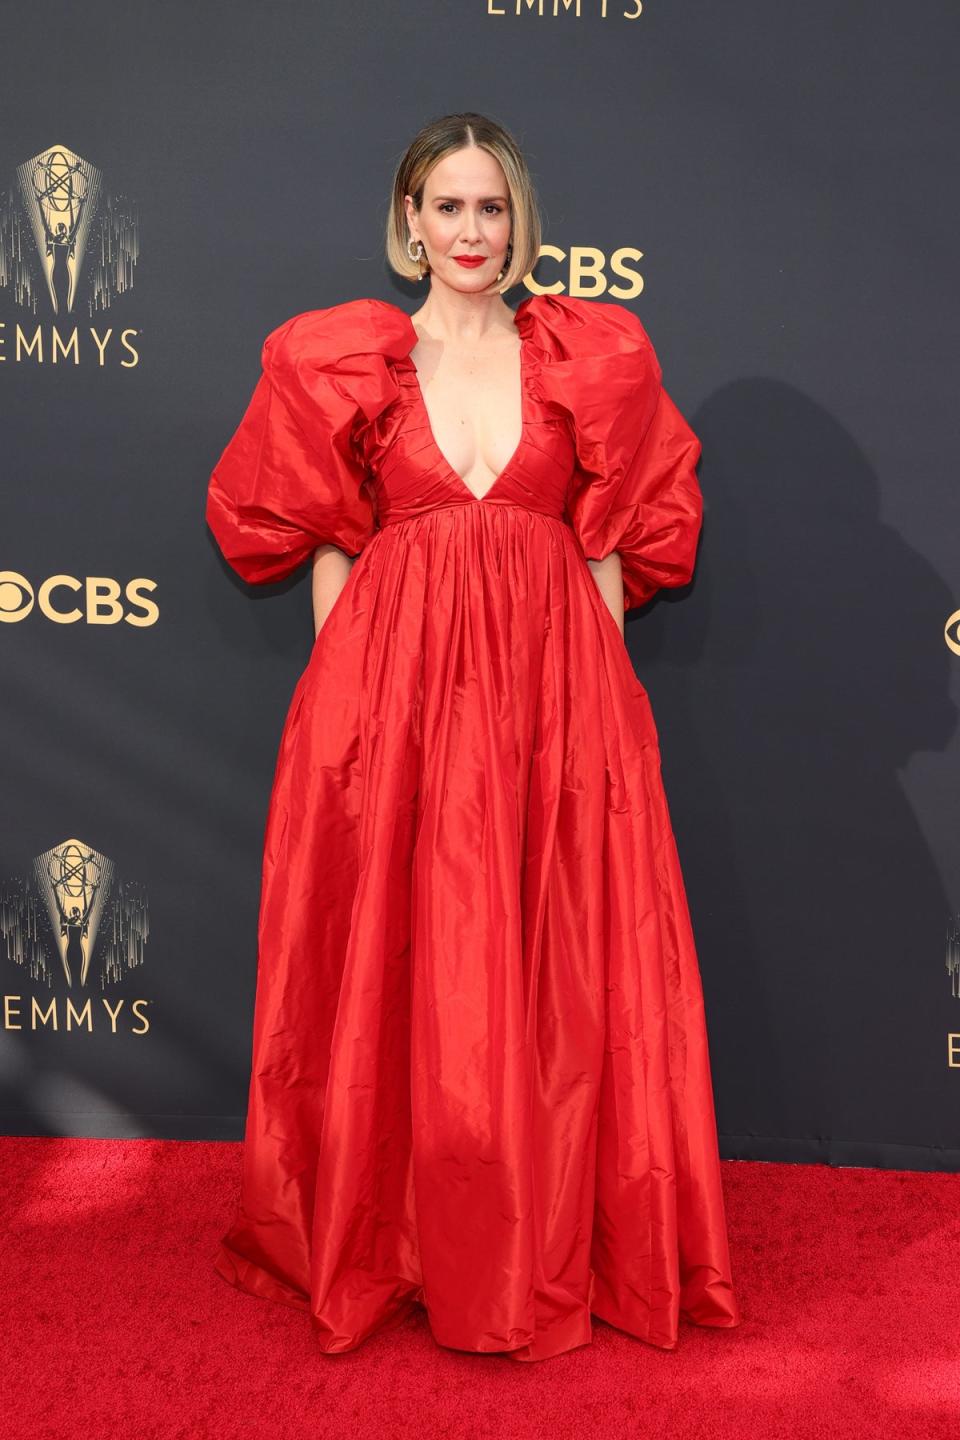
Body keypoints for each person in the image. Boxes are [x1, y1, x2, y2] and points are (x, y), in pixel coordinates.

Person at [205, 111, 741, 1362]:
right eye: (446, 207)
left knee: (561, 968)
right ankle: (399, 1238)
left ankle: (564, 1238)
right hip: (392, 707)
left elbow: (612, 540)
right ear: (408, 222)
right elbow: (331, 539)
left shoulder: (590, 356)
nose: (469, 232)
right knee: (411, 966)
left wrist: (613, 714)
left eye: (490, 208)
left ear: (519, 223)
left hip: (559, 702)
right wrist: (342, 723)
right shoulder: (346, 360)